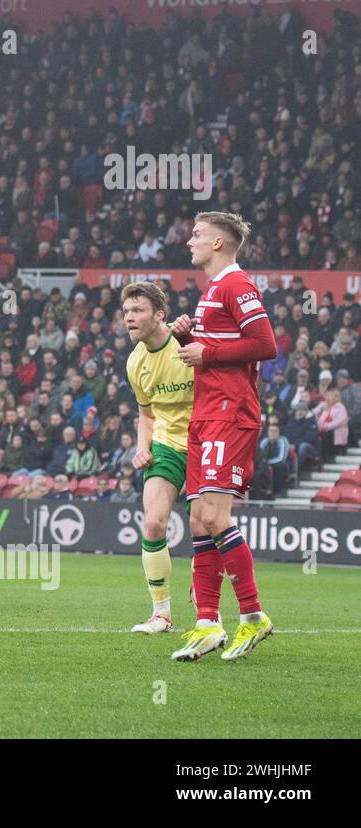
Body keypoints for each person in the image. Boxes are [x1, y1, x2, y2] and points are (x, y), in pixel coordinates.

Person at [169, 212, 276, 661]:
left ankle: (253, 617)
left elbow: (265, 344)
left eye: (196, 235)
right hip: (206, 411)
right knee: (198, 521)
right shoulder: (212, 291)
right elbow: (223, 346)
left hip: (230, 414)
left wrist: (206, 351)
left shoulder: (237, 285)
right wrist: (191, 335)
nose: (188, 240)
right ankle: (208, 623)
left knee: (214, 518)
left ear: (218, 242)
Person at [123, 281, 194, 634]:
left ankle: (208, 596)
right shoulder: (135, 362)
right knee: (153, 523)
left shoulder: (186, 345)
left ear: (159, 315)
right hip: (166, 444)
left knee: (207, 527)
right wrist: (142, 446)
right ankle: (161, 614)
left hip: (205, 439)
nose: (129, 318)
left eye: (137, 311)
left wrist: (193, 338)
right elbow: (146, 413)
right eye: (126, 312)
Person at [314, 388, 349, 464]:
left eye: (330, 396)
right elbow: (314, 415)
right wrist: (320, 407)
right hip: (324, 430)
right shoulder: (325, 407)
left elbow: (340, 421)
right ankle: (322, 457)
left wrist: (327, 426)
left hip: (335, 431)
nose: (328, 398)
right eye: (327, 396)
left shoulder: (340, 407)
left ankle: (328, 458)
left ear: (336, 397)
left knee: (326, 436)